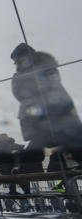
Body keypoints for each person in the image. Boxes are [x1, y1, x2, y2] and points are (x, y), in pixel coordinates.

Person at [10, 43, 82, 175]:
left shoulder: (45, 67)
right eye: (15, 62)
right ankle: (23, 167)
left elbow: (49, 87)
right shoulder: (21, 74)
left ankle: (23, 167)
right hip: (42, 115)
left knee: (71, 140)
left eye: (18, 60)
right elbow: (20, 93)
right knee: (44, 141)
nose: (16, 64)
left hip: (56, 112)